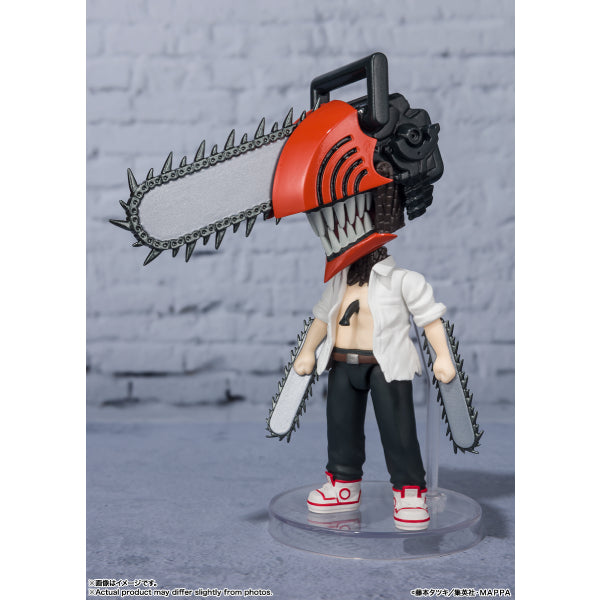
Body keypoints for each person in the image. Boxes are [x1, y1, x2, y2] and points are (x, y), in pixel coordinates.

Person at [293, 247, 456, 531]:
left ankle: (409, 491)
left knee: (398, 429)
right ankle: (344, 484)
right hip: (342, 362)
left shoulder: (404, 280)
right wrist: (307, 350)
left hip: (386, 365)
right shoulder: (340, 280)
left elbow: (430, 319)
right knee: (341, 426)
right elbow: (322, 317)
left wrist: (442, 355)